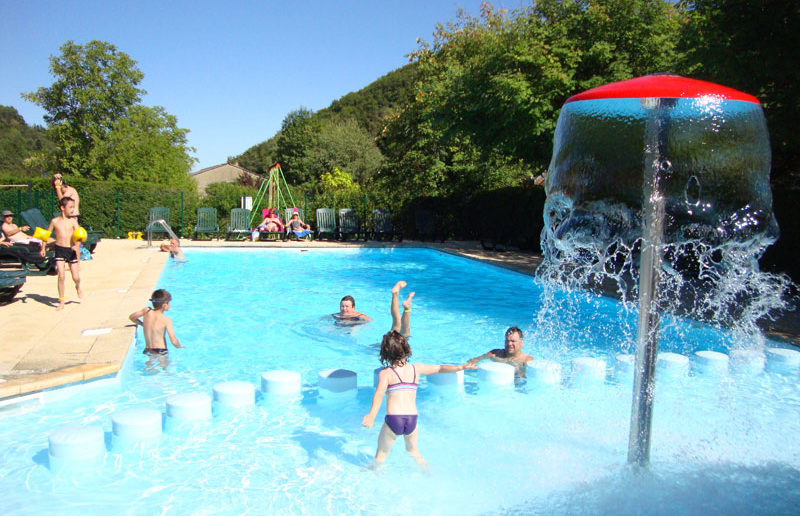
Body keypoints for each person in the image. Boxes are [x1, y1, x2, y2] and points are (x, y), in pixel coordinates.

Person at [362, 281, 475, 471]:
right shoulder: (417, 368)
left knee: (381, 455)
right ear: (406, 350)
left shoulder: (386, 373)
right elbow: (440, 368)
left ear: (385, 354)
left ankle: (371, 478)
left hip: (394, 419)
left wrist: (371, 415)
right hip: (412, 419)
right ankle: (429, 474)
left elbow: (379, 395)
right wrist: (461, 366)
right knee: (414, 452)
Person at [46, 197, 83, 310]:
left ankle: (77, 286)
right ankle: (61, 301)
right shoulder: (55, 221)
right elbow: (46, 235)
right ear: (62, 208)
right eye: (70, 207)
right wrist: (43, 248)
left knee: (75, 277)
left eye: (73, 207)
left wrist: (77, 245)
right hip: (59, 249)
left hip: (70, 250)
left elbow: (79, 234)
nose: (73, 210)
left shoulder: (73, 221)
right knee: (61, 276)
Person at [128, 289, 183, 356]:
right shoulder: (166, 319)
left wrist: (143, 324)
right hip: (161, 351)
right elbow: (173, 341)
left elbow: (132, 317)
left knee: (149, 366)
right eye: (169, 302)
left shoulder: (146, 311)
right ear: (165, 305)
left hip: (148, 350)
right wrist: (180, 347)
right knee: (165, 366)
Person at [466, 326, 532, 378]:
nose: (509, 344)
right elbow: (474, 360)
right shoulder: (495, 354)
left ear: (521, 342)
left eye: (513, 341)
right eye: (507, 340)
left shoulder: (526, 360)